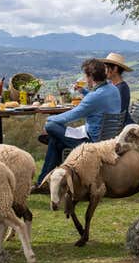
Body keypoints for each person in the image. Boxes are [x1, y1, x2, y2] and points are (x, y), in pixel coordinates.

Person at [34, 58, 120, 187]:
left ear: (90, 76)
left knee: (51, 126)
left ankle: (43, 182)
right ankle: (44, 182)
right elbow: (96, 99)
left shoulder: (94, 97)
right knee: (56, 141)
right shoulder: (112, 89)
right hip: (107, 137)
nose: (85, 79)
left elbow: (70, 116)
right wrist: (83, 91)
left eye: (86, 76)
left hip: (93, 142)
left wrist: (48, 119)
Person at [98, 52, 134, 126]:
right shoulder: (116, 86)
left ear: (115, 69)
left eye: (106, 67)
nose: (104, 71)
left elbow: (116, 114)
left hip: (117, 128)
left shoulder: (121, 89)